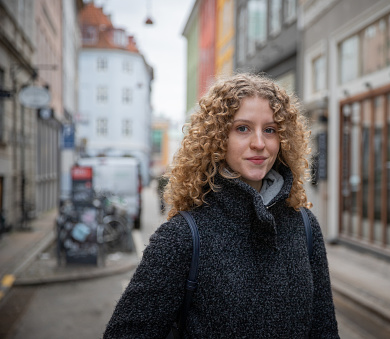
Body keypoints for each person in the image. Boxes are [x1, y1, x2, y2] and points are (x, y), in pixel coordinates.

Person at [103, 73, 340, 338]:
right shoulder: (182, 237)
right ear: (217, 138)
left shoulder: (305, 226)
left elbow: (324, 330)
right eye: (242, 128)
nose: (259, 143)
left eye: (270, 130)